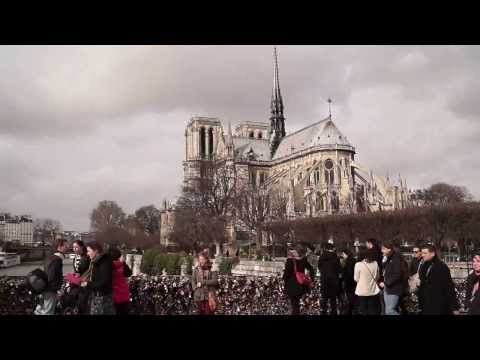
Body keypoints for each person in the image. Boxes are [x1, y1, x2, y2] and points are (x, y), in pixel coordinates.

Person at [418, 244, 460, 315]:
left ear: (433, 254)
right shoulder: (423, 266)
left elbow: (449, 287)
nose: (422, 255)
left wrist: (454, 306)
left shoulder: (442, 267)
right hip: (426, 304)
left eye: (425, 253)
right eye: (422, 253)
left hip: (439, 305)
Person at [80, 241, 115, 315]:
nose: (87, 253)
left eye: (89, 251)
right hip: (97, 296)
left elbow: (105, 281)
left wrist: (88, 284)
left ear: (95, 251)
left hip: (102, 297)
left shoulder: (104, 262)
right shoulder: (96, 261)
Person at [34, 238, 67, 315]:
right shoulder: (57, 259)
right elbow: (52, 276)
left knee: (41, 310)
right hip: (50, 290)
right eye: (66, 245)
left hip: (45, 288)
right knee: (48, 312)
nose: (68, 247)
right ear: (60, 246)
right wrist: (57, 290)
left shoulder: (50, 257)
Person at [283, 247, 315, 315]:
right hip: (300, 285)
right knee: (296, 303)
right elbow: (311, 269)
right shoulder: (303, 260)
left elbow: (286, 274)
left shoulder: (290, 261)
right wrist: (312, 280)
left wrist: (284, 280)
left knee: (294, 304)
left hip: (292, 285)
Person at [379, 242, 407, 315]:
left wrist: (386, 283)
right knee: (388, 310)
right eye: (381, 249)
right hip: (387, 288)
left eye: (383, 249)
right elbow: (386, 270)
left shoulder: (396, 258)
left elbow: (397, 274)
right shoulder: (388, 258)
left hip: (394, 289)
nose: (382, 251)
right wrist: (384, 261)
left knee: (390, 310)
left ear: (389, 249)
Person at [354, 249, 381, 315]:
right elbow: (377, 277)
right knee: (372, 310)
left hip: (362, 291)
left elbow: (356, 278)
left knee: (364, 310)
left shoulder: (358, 264)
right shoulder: (375, 263)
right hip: (373, 290)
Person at [191, 251, 218, 315]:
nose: (201, 261)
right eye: (200, 259)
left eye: (203, 259)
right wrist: (195, 289)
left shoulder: (212, 269)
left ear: (206, 259)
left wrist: (203, 282)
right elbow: (193, 280)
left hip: (208, 296)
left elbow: (215, 281)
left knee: (208, 312)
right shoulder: (196, 269)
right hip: (198, 296)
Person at [317, 243, 341, 315]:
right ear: (332, 249)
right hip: (333, 281)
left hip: (324, 280)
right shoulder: (335, 257)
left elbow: (319, 267)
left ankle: (323, 312)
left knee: (324, 299)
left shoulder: (322, 257)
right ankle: (334, 312)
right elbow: (339, 269)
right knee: (333, 300)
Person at [109, 247, 132, 315]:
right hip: (124, 295)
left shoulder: (109, 267)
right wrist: (123, 262)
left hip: (114, 296)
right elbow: (129, 273)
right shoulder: (122, 265)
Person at [340, 248, 356, 315]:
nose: (342, 255)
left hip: (349, 283)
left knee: (350, 300)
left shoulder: (348, 262)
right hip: (354, 283)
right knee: (352, 299)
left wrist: (343, 276)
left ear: (346, 254)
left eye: (343, 254)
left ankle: (350, 311)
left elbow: (349, 273)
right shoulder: (354, 260)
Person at [465, 250, 480, 315]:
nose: (475, 263)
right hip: (472, 310)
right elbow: (468, 294)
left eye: (478, 261)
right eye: (473, 261)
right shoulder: (470, 277)